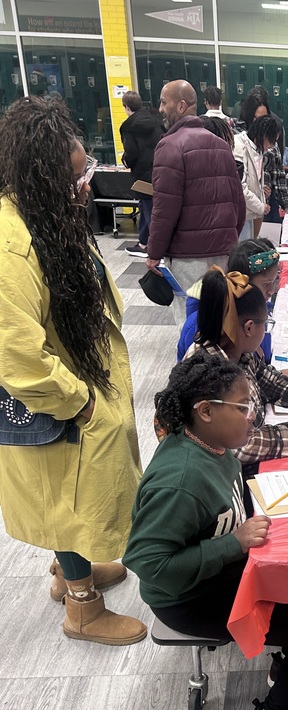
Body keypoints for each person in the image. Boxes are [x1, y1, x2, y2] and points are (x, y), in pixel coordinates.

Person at [123, 353, 288, 710]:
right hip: (186, 596)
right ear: (205, 412)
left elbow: (229, 500)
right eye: (243, 408)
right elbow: (149, 564)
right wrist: (235, 544)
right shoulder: (181, 481)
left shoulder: (216, 445)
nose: (253, 416)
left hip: (219, 569)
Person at [0, 96, 145, 644]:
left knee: (76, 496)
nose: (80, 188)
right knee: (68, 500)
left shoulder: (43, 217)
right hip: (59, 397)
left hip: (82, 375)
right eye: (72, 180)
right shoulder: (10, 244)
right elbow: (17, 356)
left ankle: (71, 570)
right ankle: (82, 608)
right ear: (41, 174)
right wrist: (79, 401)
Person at [185, 261, 288, 486]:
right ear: (249, 328)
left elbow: (272, 381)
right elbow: (244, 445)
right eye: (265, 324)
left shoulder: (235, 348)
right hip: (223, 481)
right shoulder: (211, 373)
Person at [146, 80, 245, 327]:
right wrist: (229, 239)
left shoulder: (169, 146)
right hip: (222, 255)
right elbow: (238, 203)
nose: (160, 109)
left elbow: (163, 210)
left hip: (187, 257)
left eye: (163, 102)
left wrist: (153, 253)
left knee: (190, 323)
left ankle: (193, 365)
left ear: (180, 106)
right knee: (218, 320)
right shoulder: (222, 146)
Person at [177, 237, 288, 385]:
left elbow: (253, 364)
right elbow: (215, 387)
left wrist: (271, 375)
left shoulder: (253, 310)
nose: (271, 291)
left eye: (274, 282)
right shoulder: (203, 326)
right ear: (243, 283)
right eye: (266, 284)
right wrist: (278, 376)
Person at [119, 90, 164, 258]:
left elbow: (131, 152)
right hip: (160, 170)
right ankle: (143, 242)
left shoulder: (129, 127)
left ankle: (152, 248)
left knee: (148, 209)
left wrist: (126, 161)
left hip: (142, 174)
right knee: (149, 208)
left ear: (126, 106)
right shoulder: (155, 120)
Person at [249, 115, 288, 246]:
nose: (272, 145)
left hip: (267, 200)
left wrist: (285, 204)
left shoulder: (272, 148)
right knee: (258, 238)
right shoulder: (249, 148)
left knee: (268, 237)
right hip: (258, 201)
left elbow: (278, 177)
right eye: (272, 140)